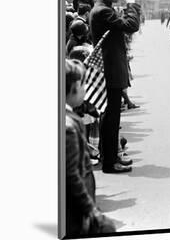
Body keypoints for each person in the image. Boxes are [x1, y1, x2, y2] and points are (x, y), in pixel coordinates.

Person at [89, 0, 141, 173]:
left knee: (111, 117)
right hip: (110, 70)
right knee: (111, 119)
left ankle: (111, 157)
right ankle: (110, 163)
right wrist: (132, 4)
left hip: (111, 69)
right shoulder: (102, 11)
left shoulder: (104, 9)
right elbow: (131, 26)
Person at [65, 59, 116, 236]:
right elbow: (72, 176)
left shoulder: (69, 117)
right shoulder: (68, 128)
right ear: (70, 90)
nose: (85, 89)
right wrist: (91, 210)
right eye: (81, 85)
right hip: (74, 211)